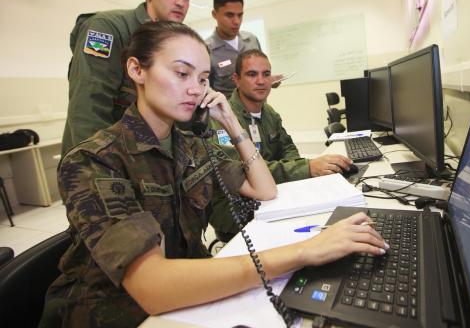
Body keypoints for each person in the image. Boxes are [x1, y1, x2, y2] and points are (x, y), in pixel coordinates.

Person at [39, 21, 387, 328]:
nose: (195, 88)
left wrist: (232, 123)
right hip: (113, 313)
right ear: (136, 70)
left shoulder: (189, 145)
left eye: (203, 78)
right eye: (181, 73)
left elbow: (263, 189)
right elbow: (153, 286)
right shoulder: (94, 160)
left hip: (188, 292)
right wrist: (304, 251)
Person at [209, 49, 354, 241]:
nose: (261, 81)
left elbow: (288, 148)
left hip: (272, 195)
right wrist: (305, 169)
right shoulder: (222, 120)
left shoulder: (269, 113)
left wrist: (302, 174)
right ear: (236, 79)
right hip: (235, 209)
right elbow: (245, 173)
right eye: (252, 74)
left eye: (266, 74)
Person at [60, 0, 193, 157]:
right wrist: (99, 167)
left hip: (149, 158)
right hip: (107, 161)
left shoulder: (175, 42)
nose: (180, 2)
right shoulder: (106, 29)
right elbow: (89, 110)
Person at [206, 0, 283, 98]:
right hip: (227, 112)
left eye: (240, 15)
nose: (236, 21)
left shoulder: (252, 40)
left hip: (258, 109)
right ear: (214, 14)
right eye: (229, 15)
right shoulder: (206, 49)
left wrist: (269, 80)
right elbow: (204, 90)